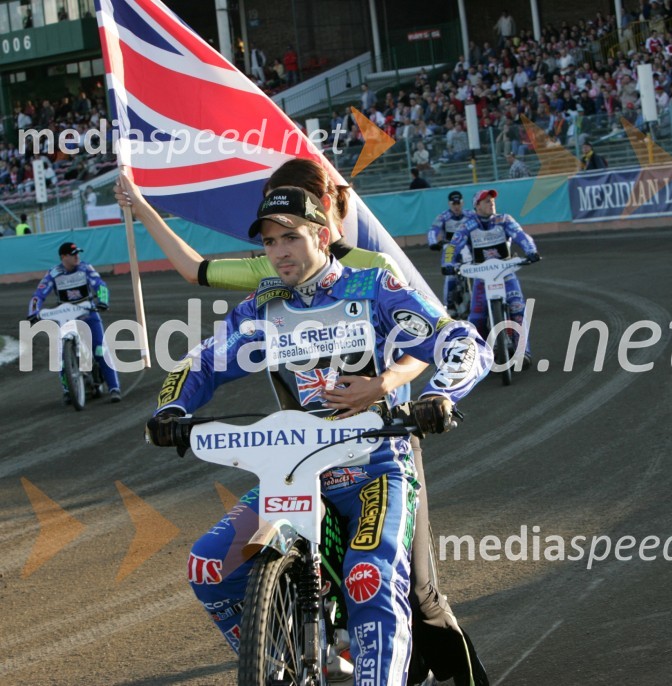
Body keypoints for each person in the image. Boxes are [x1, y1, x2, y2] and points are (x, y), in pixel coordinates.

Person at [114, 158, 490, 685]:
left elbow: (460, 341)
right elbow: (204, 359)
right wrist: (170, 410)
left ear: (320, 232)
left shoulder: (374, 285)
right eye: (269, 242)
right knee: (208, 568)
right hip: (292, 468)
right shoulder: (262, 306)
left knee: (369, 582)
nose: (278, 252)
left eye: (288, 238)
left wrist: (440, 396)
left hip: (374, 463)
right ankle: (280, 666)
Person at [442, 189, 540, 367]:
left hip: (507, 274)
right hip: (481, 277)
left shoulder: (504, 220)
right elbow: (453, 245)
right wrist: (448, 263)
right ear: (477, 206)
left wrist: (531, 251)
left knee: (518, 308)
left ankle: (523, 352)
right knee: (476, 317)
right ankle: (483, 357)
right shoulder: (467, 225)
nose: (491, 203)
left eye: (492, 200)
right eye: (486, 201)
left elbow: (521, 235)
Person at [27, 242, 121, 404]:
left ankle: (114, 387)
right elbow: (38, 295)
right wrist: (33, 313)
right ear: (63, 257)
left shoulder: (86, 268)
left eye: (78, 253)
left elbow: (100, 285)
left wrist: (103, 300)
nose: (77, 256)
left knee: (100, 348)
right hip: (65, 315)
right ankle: (67, 390)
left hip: (88, 313)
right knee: (60, 355)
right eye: (73, 254)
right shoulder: (54, 274)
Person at [427, 190, 475, 316]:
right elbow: (433, 230)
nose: (456, 206)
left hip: (467, 247)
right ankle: (449, 305)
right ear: (449, 204)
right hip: (450, 248)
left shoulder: (471, 215)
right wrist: (433, 243)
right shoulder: (443, 217)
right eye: (454, 204)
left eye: (458, 203)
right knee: (450, 275)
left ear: (462, 203)